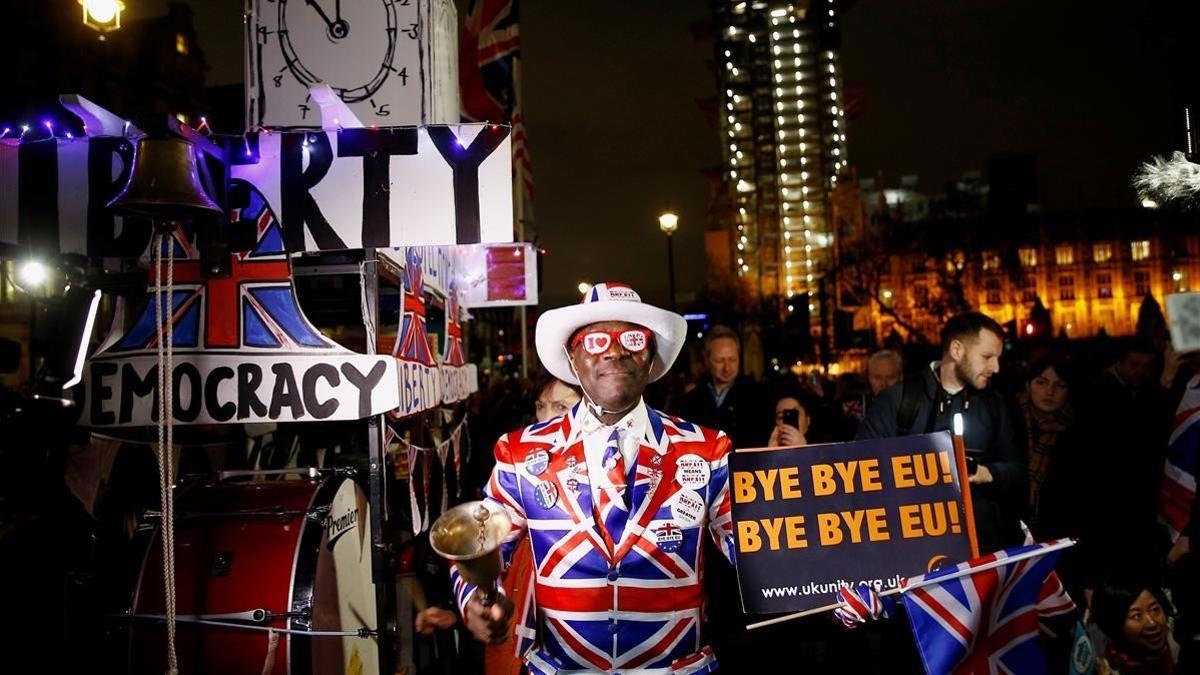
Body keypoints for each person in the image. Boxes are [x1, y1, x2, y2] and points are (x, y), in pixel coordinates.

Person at [453, 282, 735, 673]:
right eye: (597, 340)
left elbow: (760, 550)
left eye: (633, 339)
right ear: (573, 359)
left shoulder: (705, 450)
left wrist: (829, 585)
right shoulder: (521, 454)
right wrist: (474, 600)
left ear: (651, 358)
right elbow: (477, 543)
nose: (616, 351)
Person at [858, 311, 1024, 554]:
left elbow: (1017, 470)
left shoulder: (995, 405)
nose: (995, 367)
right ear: (956, 350)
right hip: (911, 550)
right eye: (987, 357)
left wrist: (983, 473)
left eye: (997, 358)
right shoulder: (898, 400)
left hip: (980, 550)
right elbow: (860, 467)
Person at [485, 374, 583, 675]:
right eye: (542, 406)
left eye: (561, 408)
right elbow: (485, 534)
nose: (547, 418)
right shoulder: (521, 457)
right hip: (528, 588)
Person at [676, 325, 770, 448]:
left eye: (732, 360)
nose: (727, 368)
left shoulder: (757, 397)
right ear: (706, 359)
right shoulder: (689, 400)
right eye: (719, 361)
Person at [1015, 357, 1074, 537]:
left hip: (1058, 530)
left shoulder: (1075, 430)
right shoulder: (1011, 420)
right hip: (1014, 525)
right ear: (1028, 386)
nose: (1049, 392)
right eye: (1041, 383)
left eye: (1060, 385)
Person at [1092, 578, 1179, 674]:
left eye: (1155, 609)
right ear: (1115, 625)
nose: (1152, 623)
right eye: (1136, 616)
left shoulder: (1178, 643)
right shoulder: (1109, 668)